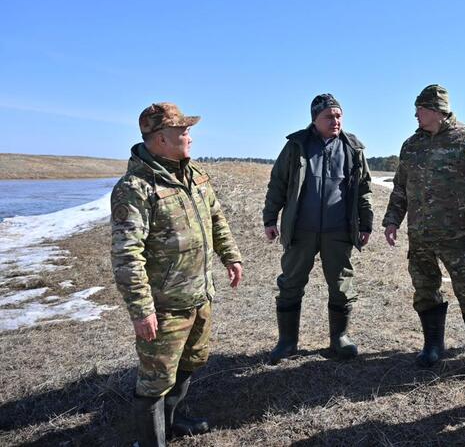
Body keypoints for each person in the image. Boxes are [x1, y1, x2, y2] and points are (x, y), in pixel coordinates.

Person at [111, 103, 244, 446]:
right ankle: (151, 439)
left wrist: (230, 256)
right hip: (164, 305)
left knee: (192, 361)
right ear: (159, 139)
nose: (189, 136)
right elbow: (127, 254)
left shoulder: (194, 174)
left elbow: (216, 218)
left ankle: (172, 421)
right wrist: (141, 309)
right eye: (182, 131)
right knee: (154, 380)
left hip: (199, 294)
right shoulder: (135, 188)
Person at [382, 84, 465, 383]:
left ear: (437, 110)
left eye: (420, 109)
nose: (415, 114)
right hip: (420, 235)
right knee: (425, 290)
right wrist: (392, 220)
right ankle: (433, 346)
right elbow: (400, 187)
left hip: (456, 237)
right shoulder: (411, 145)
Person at [262, 93, 373, 364]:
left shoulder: (352, 148)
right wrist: (270, 219)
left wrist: (366, 223)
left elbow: (364, 189)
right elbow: (277, 183)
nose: (335, 121)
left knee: (341, 285)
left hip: (338, 231)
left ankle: (339, 339)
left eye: (338, 116)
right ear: (315, 119)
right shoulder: (296, 146)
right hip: (301, 230)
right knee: (290, 284)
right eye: (329, 116)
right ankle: (287, 342)